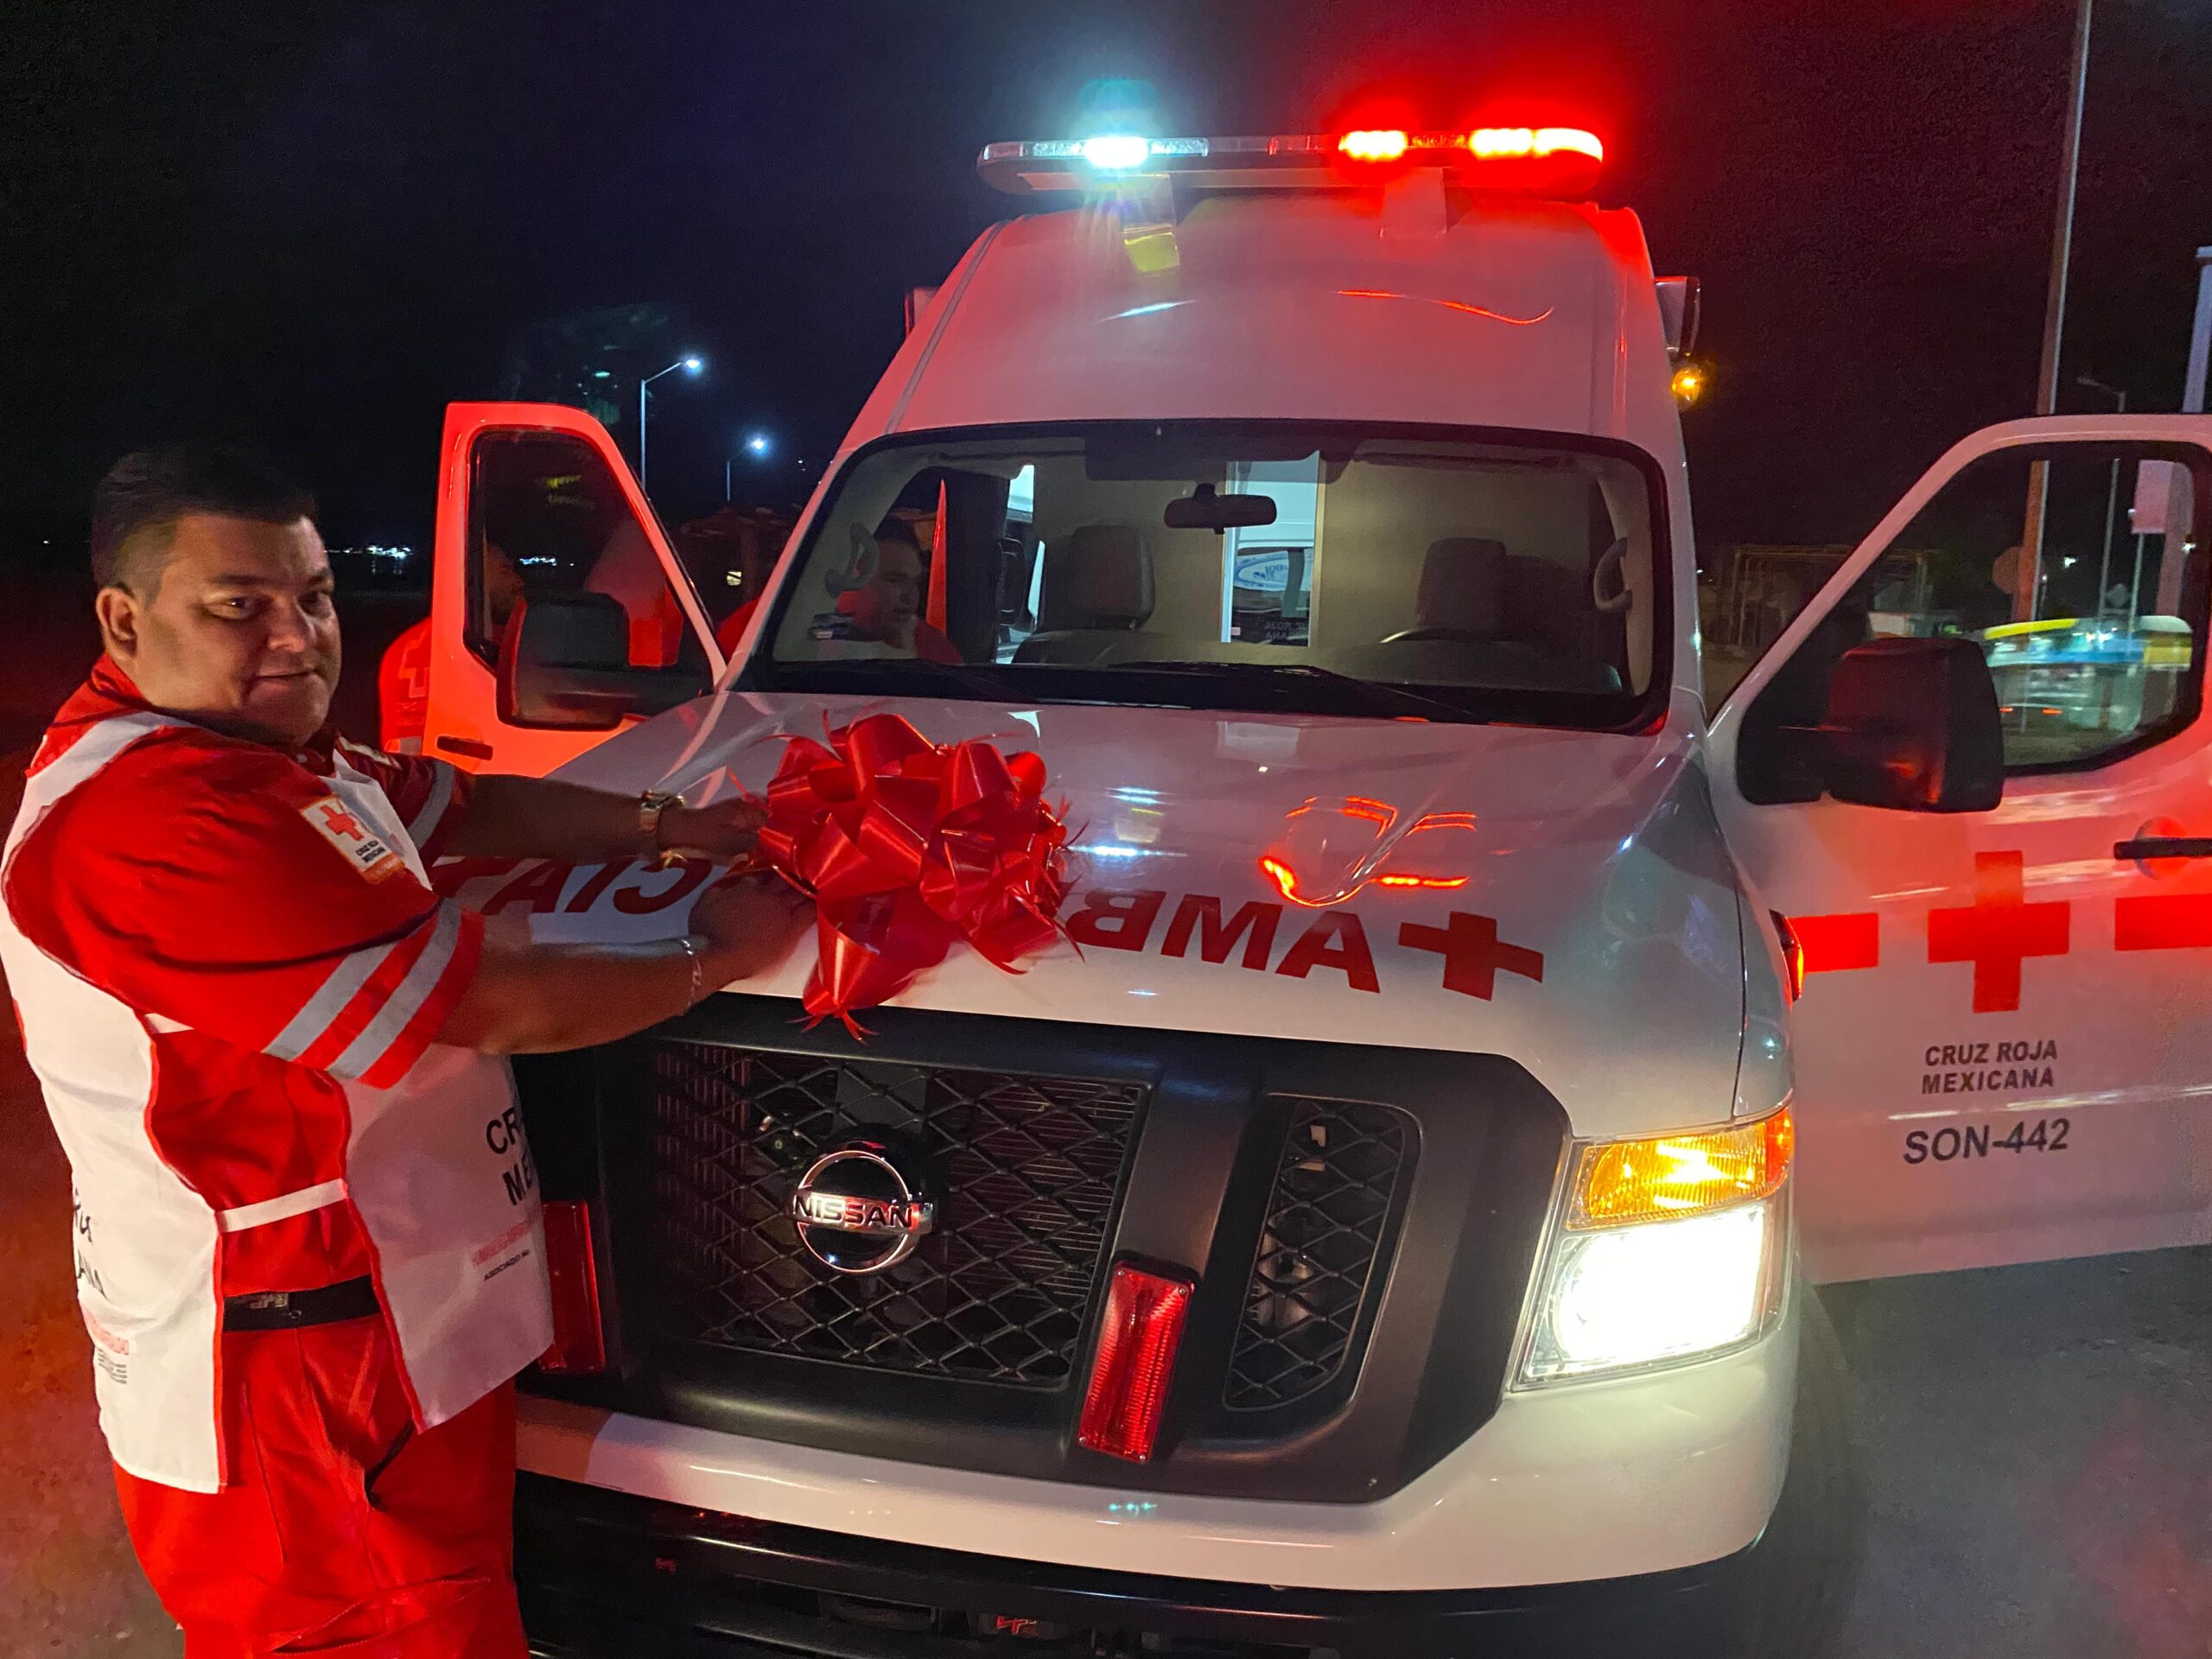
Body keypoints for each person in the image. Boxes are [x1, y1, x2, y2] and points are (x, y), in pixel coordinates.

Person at [1, 447, 811, 1657]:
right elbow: (495, 1006)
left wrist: (673, 826)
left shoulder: (275, 761)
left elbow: (459, 807)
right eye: (240, 606)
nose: (297, 637)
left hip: (388, 1332)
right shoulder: (155, 826)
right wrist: (719, 956)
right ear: (124, 618)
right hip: (299, 1398)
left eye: (316, 597)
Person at [713, 518, 959, 663]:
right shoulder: (780, 627)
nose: (911, 596)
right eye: (894, 580)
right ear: (846, 574)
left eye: (915, 582)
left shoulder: (927, 645)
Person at [378, 541, 524, 753]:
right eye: (505, 571)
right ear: (474, 579)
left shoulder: (408, 645)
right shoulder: (431, 648)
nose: (518, 582)